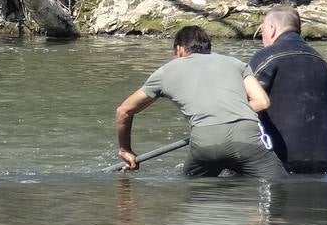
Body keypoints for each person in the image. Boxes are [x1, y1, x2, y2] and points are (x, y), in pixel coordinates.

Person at [115, 25, 286, 178]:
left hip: (204, 141)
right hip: (247, 138)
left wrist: (125, 150)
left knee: (195, 190)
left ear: (180, 49)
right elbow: (262, 102)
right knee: (278, 187)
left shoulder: (165, 72)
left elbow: (124, 111)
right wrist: (229, 113)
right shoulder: (236, 64)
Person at [249, 6, 327, 174]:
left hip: (281, 160)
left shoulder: (267, 57)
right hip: (325, 160)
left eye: (262, 32)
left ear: (272, 29)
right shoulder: (320, 61)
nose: (263, 38)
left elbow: (241, 101)